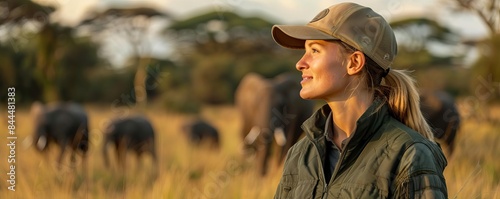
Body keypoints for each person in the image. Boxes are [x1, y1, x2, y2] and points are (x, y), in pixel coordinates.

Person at [271, 2, 448, 198]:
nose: (300, 63)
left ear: (354, 62)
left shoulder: (410, 154)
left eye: (314, 50)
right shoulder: (299, 154)